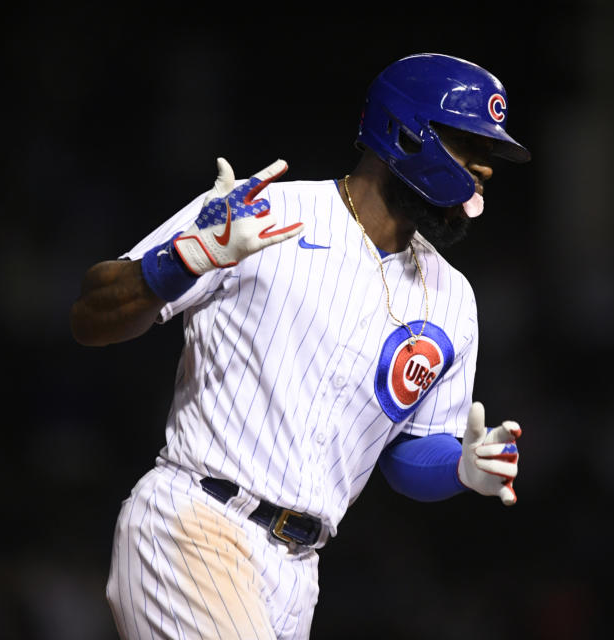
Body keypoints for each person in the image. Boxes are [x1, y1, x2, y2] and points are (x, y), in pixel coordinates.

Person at [71, 52, 530, 640]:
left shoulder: (452, 298)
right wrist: (181, 261)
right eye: (470, 143)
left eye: (489, 153)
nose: (484, 168)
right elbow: (91, 316)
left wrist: (460, 469)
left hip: (297, 571)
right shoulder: (265, 212)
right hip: (196, 522)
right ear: (406, 131)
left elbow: (406, 457)